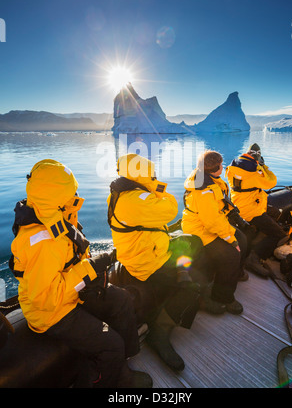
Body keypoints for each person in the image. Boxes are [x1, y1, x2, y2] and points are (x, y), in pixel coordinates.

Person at [10, 159, 152, 388]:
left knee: (122, 298)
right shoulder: (42, 242)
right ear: (56, 195)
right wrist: (90, 269)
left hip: (69, 294)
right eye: (71, 190)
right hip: (51, 313)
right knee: (111, 343)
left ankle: (123, 361)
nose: (76, 193)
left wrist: (92, 268)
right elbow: (45, 298)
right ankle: (114, 379)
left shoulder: (55, 216)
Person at [107, 153, 201, 372]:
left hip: (149, 248)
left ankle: (181, 279)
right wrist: (156, 186)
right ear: (142, 175)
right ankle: (159, 332)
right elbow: (170, 209)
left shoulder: (122, 192)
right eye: (151, 173)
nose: (154, 175)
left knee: (191, 243)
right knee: (192, 288)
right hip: (146, 261)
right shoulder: (135, 200)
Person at [181, 150, 248, 316]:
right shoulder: (203, 191)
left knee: (242, 239)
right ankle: (223, 297)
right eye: (221, 165)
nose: (223, 167)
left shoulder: (210, 180)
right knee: (231, 254)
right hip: (200, 229)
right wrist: (230, 239)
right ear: (215, 168)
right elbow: (211, 222)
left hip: (213, 224)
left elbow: (217, 212)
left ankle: (234, 274)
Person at [225, 143, 287, 277]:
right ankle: (253, 258)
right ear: (257, 156)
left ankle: (254, 242)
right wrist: (263, 166)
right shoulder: (254, 170)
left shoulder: (233, 166)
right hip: (252, 210)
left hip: (239, 206)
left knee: (274, 214)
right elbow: (271, 182)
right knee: (279, 234)